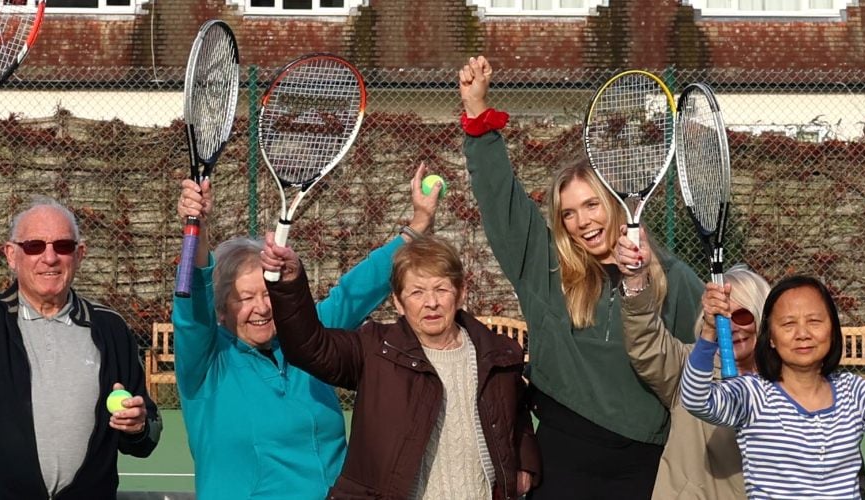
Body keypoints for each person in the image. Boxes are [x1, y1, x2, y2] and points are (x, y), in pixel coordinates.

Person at [459, 55, 705, 498]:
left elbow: (711, 366)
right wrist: (478, 115)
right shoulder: (547, 267)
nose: (581, 221)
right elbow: (502, 202)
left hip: (644, 463)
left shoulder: (674, 278)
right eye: (568, 213)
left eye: (591, 205)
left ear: (614, 203)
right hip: (559, 459)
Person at [0, 140, 159, 498]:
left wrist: (138, 425)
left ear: (79, 255)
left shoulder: (109, 328)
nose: (49, 258)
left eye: (63, 246)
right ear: (11, 255)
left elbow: (146, 437)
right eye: (34, 246)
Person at [169, 165, 438, 498]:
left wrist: (418, 225)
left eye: (268, 292)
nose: (262, 307)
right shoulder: (208, 362)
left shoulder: (308, 342)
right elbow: (194, 299)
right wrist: (197, 226)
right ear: (222, 310)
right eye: (245, 298)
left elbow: (356, 291)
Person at [264, 232, 539, 498]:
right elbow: (308, 348)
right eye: (417, 292)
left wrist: (524, 459)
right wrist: (289, 284)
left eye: (441, 289)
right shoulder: (376, 350)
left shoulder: (497, 354)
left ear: (461, 293)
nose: (431, 303)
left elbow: (514, 410)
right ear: (398, 301)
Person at [679, 275, 865, 498]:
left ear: (833, 331)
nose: (803, 333)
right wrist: (709, 332)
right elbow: (695, 398)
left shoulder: (853, 392)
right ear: (770, 337)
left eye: (814, 321)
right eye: (788, 324)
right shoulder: (753, 394)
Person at [620, 264, 770, 498]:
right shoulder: (687, 366)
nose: (731, 327)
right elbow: (646, 342)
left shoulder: (788, 381)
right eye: (721, 317)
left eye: (743, 316)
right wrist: (635, 280)